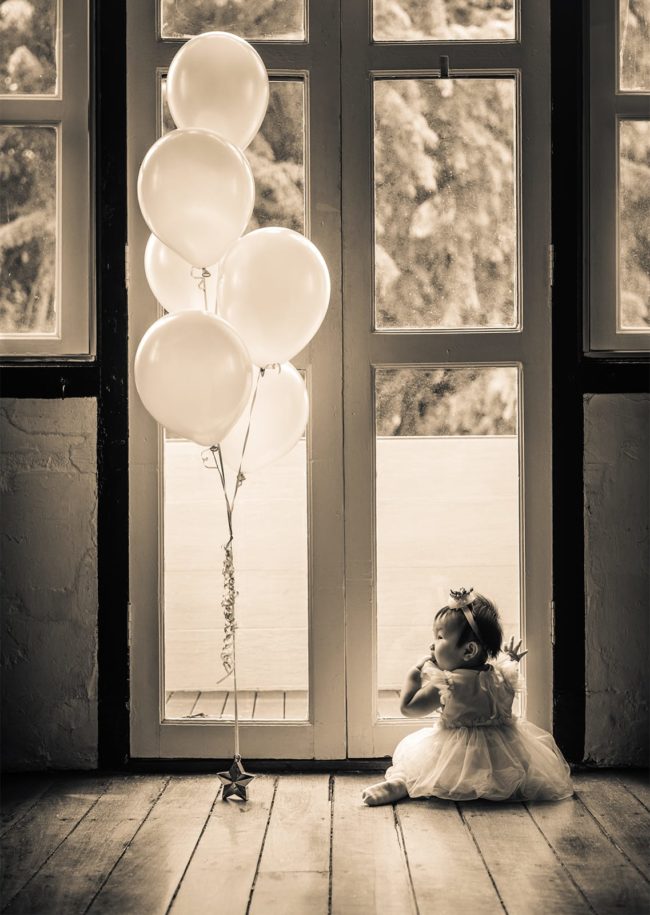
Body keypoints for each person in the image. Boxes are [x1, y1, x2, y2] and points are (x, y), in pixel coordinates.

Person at [362, 587, 573, 806]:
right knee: (522, 772)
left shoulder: (450, 684)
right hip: (502, 757)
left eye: (440, 637)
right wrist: (511, 659)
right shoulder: (503, 676)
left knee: (417, 769)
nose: (432, 645)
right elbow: (505, 686)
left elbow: (408, 708)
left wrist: (414, 674)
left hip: (457, 759)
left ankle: (400, 783)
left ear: (469, 650)